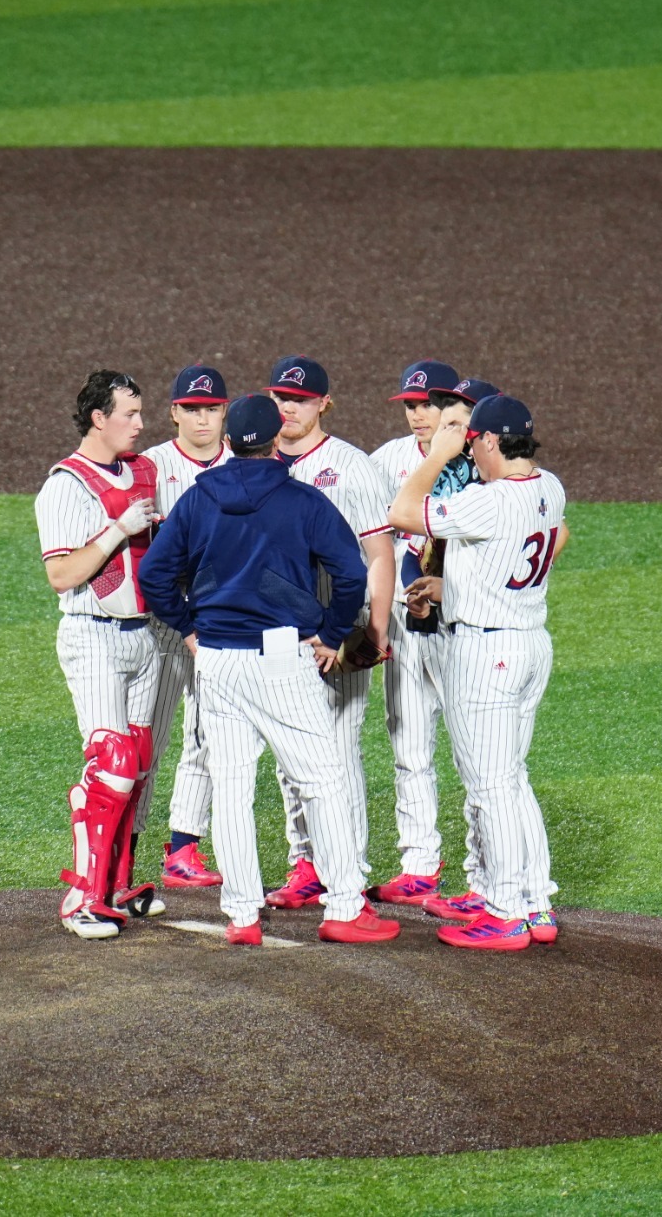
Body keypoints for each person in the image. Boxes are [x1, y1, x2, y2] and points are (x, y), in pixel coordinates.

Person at [138, 394, 399, 946]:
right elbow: (351, 574)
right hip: (282, 660)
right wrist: (331, 633)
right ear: (275, 439)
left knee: (231, 788)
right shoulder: (302, 499)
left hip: (217, 662)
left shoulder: (198, 497)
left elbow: (155, 575)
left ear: (229, 441)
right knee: (323, 781)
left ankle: (241, 916)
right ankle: (344, 907)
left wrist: (188, 629)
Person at [389, 394, 566, 951]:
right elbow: (510, 557)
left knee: (490, 786)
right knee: (512, 778)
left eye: (471, 443)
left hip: (487, 655)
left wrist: (436, 455)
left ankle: (505, 911)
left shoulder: (486, 501)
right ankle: (536, 903)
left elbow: (403, 511)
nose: (469, 452)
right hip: (530, 642)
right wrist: (456, 587)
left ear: (489, 439)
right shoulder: (551, 487)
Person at [260, 356, 397, 910]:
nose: (288, 408)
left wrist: (374, 632)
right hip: (275, 631)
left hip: (338, 629)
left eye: (300, 399)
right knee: (288, 754)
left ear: (323, 403)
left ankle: (348, 871)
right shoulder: (256, 460)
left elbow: (380, 554)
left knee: (337, 752)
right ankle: (306, 864)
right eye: (280, 398)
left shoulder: (351, 466)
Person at [34, 370, 165, 940]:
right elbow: (62, 575)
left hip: (144, 635)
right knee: (111, 763)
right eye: (129, 414)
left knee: (138, 761)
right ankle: (81, 898)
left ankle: (116, 886)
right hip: (93, 636)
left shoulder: (143, 471)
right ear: (98, 418)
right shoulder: (66, 485)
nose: (140, 424)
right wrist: (117, 530)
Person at [368, 366, 499, 905]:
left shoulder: (485, 468)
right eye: (411, 405)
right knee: (409, 749)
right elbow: (374, 537)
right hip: (406, 623)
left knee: (477, 757)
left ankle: (483, 877)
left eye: (428, 405)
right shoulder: (385, 460)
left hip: (461, 626)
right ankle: (419, 864)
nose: (418, 415)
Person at [138, 364, 230, 890]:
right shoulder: (150, 466)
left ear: (224, 411)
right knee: (146, 739)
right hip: (164, 619)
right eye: (191, 409)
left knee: (209, 732)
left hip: (219, 617)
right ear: (174, 412)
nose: (202, 419)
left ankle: (183, 849)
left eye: (211, 408)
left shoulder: (242, 463)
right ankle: (124, 847)